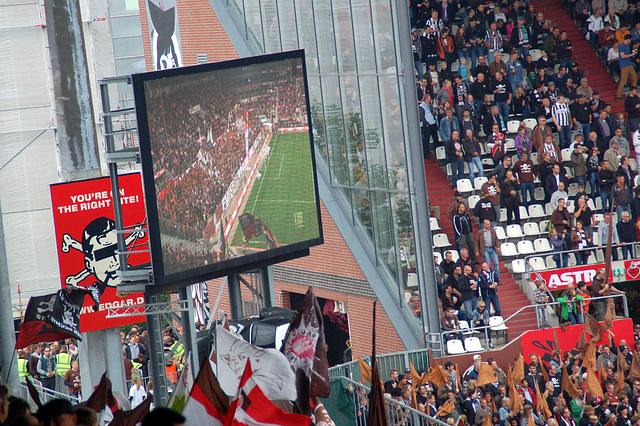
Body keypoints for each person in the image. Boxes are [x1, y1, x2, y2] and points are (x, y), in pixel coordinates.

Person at [617, 35, 638, 100]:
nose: (631, 41)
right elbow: (622, 56)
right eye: (630, 39)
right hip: (624, 65)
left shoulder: (628, 46)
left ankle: (632, 92)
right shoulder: (621, 46)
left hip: (629, 64)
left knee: (634, 78)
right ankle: (618, 95)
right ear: (628, 39)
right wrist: (632, 55)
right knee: (623, 80)